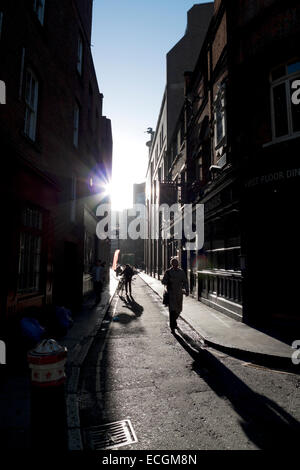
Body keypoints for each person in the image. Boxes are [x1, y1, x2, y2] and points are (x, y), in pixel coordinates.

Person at [161, 257, 189, 333]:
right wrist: (167, 281)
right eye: (174, 263)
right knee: (172, 310)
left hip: (179, 293)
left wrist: (187, 290)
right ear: (172, 264)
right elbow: (163, 282)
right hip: (171, 294)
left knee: (179, 309)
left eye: (176, 263)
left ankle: (174, 322)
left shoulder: (181, 272)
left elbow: (185, 281)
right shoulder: (168, 272)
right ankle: (172, 326)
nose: (176, 265)